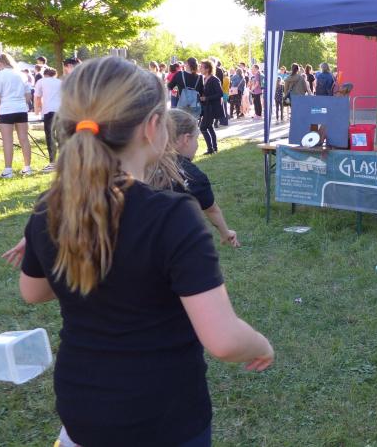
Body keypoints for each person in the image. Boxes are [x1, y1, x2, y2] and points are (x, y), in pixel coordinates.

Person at [17, 56, 273, 447]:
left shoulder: (49, 208)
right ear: (152, 127)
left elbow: (33, 291)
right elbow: (223, 340)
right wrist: (261, 344)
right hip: (162, 418)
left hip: (81, 407)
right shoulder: (172, 216)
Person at [168, 109, 241, 247]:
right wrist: (225, 232)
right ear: (186, 139)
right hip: (177, 246)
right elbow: (211, 209)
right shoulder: (193, 177)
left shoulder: (145, 164)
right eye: (196, 139)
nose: (197, 145)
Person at [0, 53, 33, 178]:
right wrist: (22, 105)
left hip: (6, 109)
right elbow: (28, 95)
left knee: (7, 140)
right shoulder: (22, 74)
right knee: (24, 139)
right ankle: (27, 168)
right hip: (21, 109)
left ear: (0, 63)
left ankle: (8, 170)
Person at [33, 67, 63, 172]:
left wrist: (37, 111)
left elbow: (37, 97)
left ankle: (52, 163)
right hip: (61, 111)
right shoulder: (60, 82)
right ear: (55, 74)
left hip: (49, 111)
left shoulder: (41, 81)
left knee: (50, 137)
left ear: (45, 74)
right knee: (61, 137)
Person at [199, 59, 223, 155]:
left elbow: (220, 93)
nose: (200, 68)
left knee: (203, 127)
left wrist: (206, 98)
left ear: (207, 69)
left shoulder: (214, 79)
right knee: (209, 127)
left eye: (202, 67)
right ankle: (214, 148)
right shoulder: (204, 79)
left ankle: (210, 149)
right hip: (206, 107)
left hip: (212, 108)